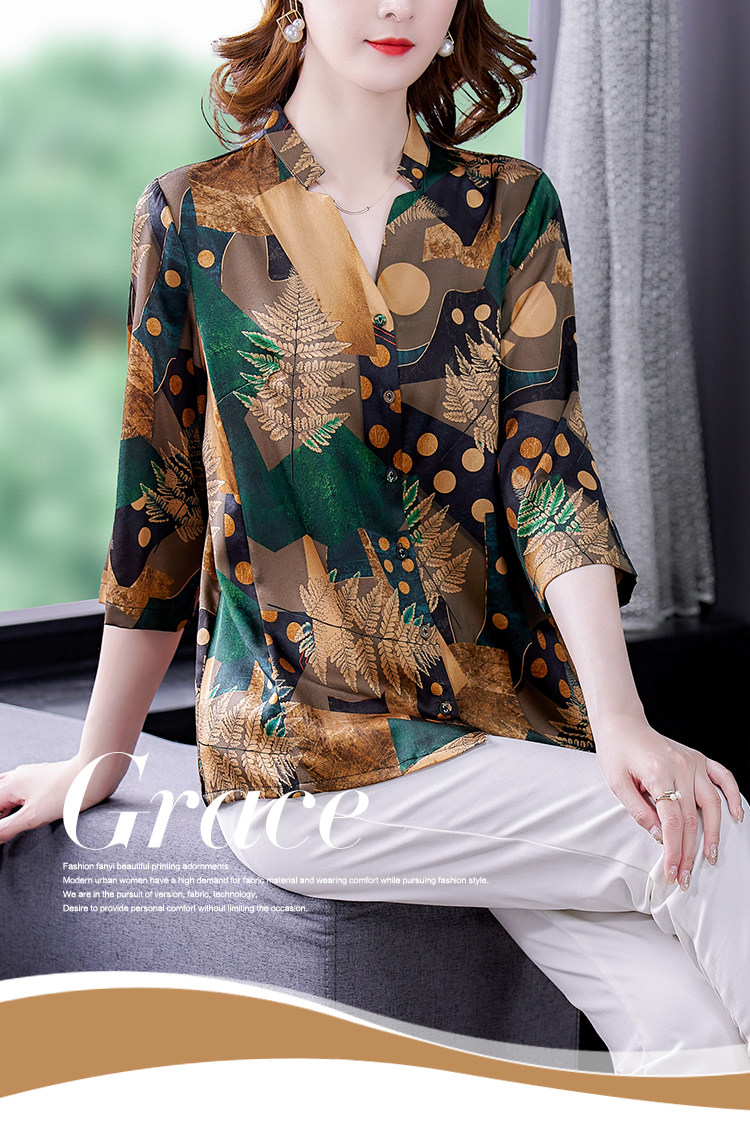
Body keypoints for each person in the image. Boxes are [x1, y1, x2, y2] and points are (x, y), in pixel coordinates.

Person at [1, 0, 749, 1077]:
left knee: (685, 1026)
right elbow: (157, 512)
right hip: (310, 750)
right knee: (713, 841)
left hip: (505, 728)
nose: (396, 4)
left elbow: (549, 476)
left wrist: (624, 726)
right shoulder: (195, 212)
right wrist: (98, 758)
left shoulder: (508, 206)